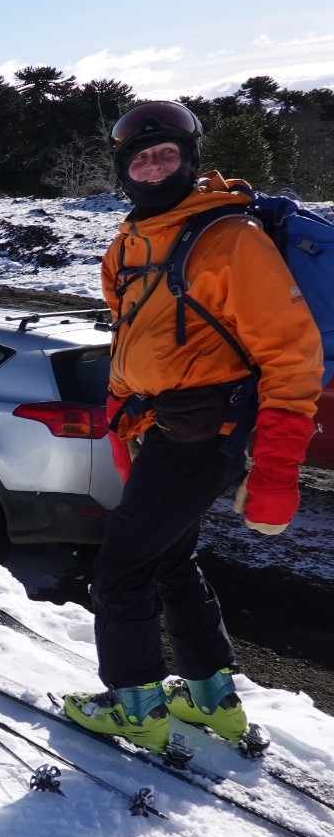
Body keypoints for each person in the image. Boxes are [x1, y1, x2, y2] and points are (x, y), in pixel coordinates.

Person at [61, 101, 323, 753]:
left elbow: (292, 353)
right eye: (141, 157)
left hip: (208, 430)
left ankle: (137, 705)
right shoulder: (129, 243)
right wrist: (122, 426)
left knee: (120, 569)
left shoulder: (228, 238)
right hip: (163, 431)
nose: (154, 166)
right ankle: (213, 698)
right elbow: (132, 343)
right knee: (170, 557)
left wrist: (278, 467)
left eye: (167, 153)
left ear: (190, 158)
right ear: (124, 168)